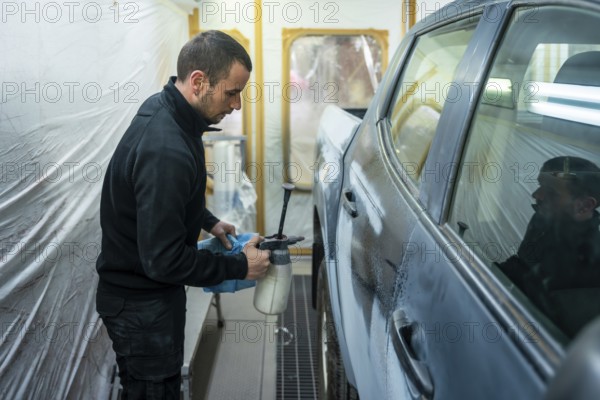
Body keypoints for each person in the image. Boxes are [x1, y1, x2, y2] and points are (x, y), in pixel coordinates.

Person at [95, 30, 271, 399]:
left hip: (141, 296)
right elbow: (163, 260)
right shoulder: (166, 148)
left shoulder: (170, 113)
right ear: (198, 81)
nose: (237, 105)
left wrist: (207, 220)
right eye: (232, 92)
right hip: (141, 305)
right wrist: (239, 266)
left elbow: (161, 198)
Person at [497, 156, 600, 337]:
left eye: (551, 192)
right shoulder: (544, 220)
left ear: (584, 206)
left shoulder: (589, 265)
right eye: (540, 185)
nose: (536, 195)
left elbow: (552, 332)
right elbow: (523, 265)